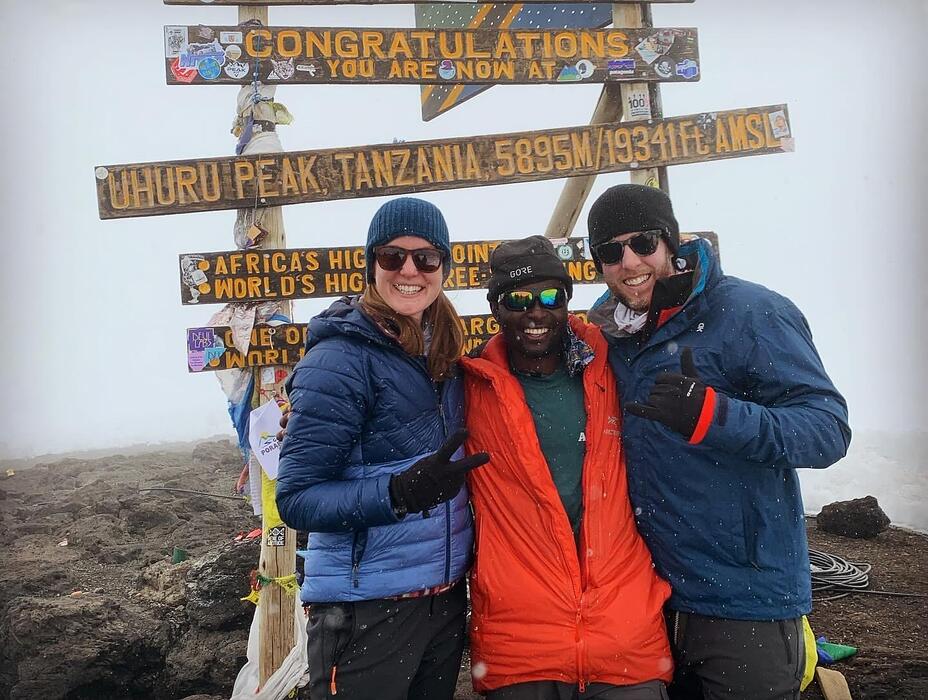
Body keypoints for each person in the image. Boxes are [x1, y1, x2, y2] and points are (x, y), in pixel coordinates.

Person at [586, 184, 852, 700]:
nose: (629, 261)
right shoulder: (611, 337)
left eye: (642, 242)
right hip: (644, 597)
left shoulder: (751, 312)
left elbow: (827, 428)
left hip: (743, 596)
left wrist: (715, 415)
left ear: (670, 242)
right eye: (610, 251)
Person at [275, 197, 489, 700]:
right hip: (363, 607)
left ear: (444, 267)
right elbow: (298, 498)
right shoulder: (339, 361)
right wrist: (397, 493)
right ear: (371, 265)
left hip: (441, 600)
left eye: (426, 258)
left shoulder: (446, 354)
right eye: (392, 257)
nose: (409, 270)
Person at [460, 236, 674, 699]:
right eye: (518, 299)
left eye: (550, 296)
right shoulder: (469, 386)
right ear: (496, 308)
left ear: (568, 300)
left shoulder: (613, 364)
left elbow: (675, 314)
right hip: (521, 649)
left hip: (626, 640)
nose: (536, 312)